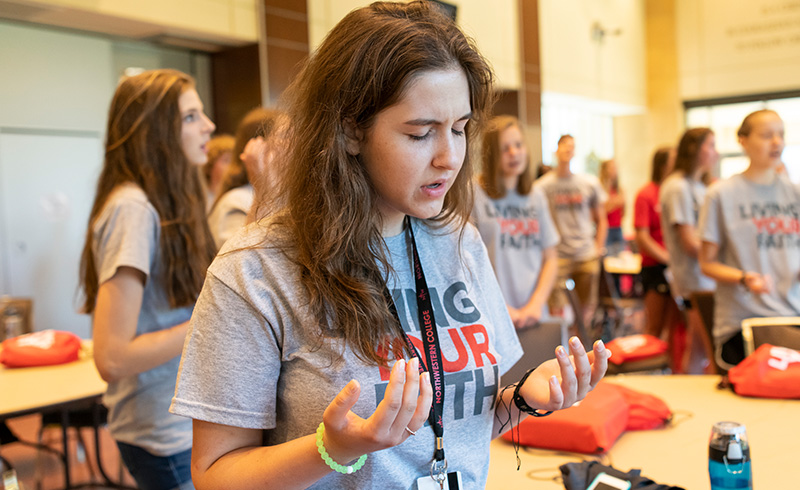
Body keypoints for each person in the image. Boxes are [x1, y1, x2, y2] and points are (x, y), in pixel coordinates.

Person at [170, 3, 610, 489]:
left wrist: (526, 399)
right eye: (421, 133)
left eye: (460, 129)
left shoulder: (458, 240)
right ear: (349, 130)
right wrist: (332, 450)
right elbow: (214, 473)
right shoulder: (255, 270)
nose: (450, 159)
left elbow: (454, 433)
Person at [78, 69, 216, 490]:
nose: (208, 125)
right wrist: (209, 322)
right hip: (162, 433)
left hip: (174, 423)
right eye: (191, 116)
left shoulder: (160, 202)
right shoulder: (133, 208)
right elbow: (113, 358)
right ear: (156, 132)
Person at [699, 109, 800, 369]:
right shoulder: (721, 194)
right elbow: (706, 263)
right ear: (742, 141)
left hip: (792, 315)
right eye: (767, 135)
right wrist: (744, 278)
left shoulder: (795, 193)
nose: (776, 142)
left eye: (781, 135)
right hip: (746, 322)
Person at [472, 115, 559, 329]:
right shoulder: (473, 193)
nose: (514, 153)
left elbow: (551, 258)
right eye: (505, 148)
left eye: (518, 145)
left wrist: (536, 305)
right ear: (491, 154)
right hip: (493, 315)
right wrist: (501, 307)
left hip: (535, 313)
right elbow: (468, 263)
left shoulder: (536, 195)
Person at [659, 128, 717, 373]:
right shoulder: (678, 187)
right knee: (709, 347)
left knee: (699, 346)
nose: (716, 152)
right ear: (695, 149)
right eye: (711, 145)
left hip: (704, 277)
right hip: (694, 278)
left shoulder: (699, 186)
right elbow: (689, 241)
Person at [537, 135, 608, 324]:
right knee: (557, 307)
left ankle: (580, 342)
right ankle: (562, 343)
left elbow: (601, 219)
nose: (568, 150)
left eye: (572, 147)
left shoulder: (589, 183)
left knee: (587, 306)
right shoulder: (542, 186)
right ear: (557, 150)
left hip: (586, 252)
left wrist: (598, 247)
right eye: (564, 146)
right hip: (558, 255)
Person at [634, 147, 684, 371]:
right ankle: (647, 370)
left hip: (677, 268)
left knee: (675, 326)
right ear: (663, 164)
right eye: (674, 159)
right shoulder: (646, 194)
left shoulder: (676, 192)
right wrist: (666, 257)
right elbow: (642, 236)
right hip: (655, 267)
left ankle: (673, 370)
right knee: (654, 325)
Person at [207, 107, 282, 250]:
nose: (296, 141)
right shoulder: (236, 201)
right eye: (284, 135)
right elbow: (240, 263)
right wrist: (264, 189)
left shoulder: (283, 194)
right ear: (260, 147)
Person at [600, 159, 626, 256]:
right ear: (605, 170)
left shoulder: (619, 189)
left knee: (620, 261)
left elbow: (623, 210)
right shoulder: (600, 188)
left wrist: (610, 203)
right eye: (612, 168)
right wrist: (615, 202)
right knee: (607, 261)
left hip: (618, 228)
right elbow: (602, 210)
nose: (615, 170)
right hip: (606, 230)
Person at [201, 134, 234, 209]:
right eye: (226, 160)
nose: (231, 166)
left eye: (233, 161)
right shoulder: (200, 198)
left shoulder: (235, 196)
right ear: (210, 164)